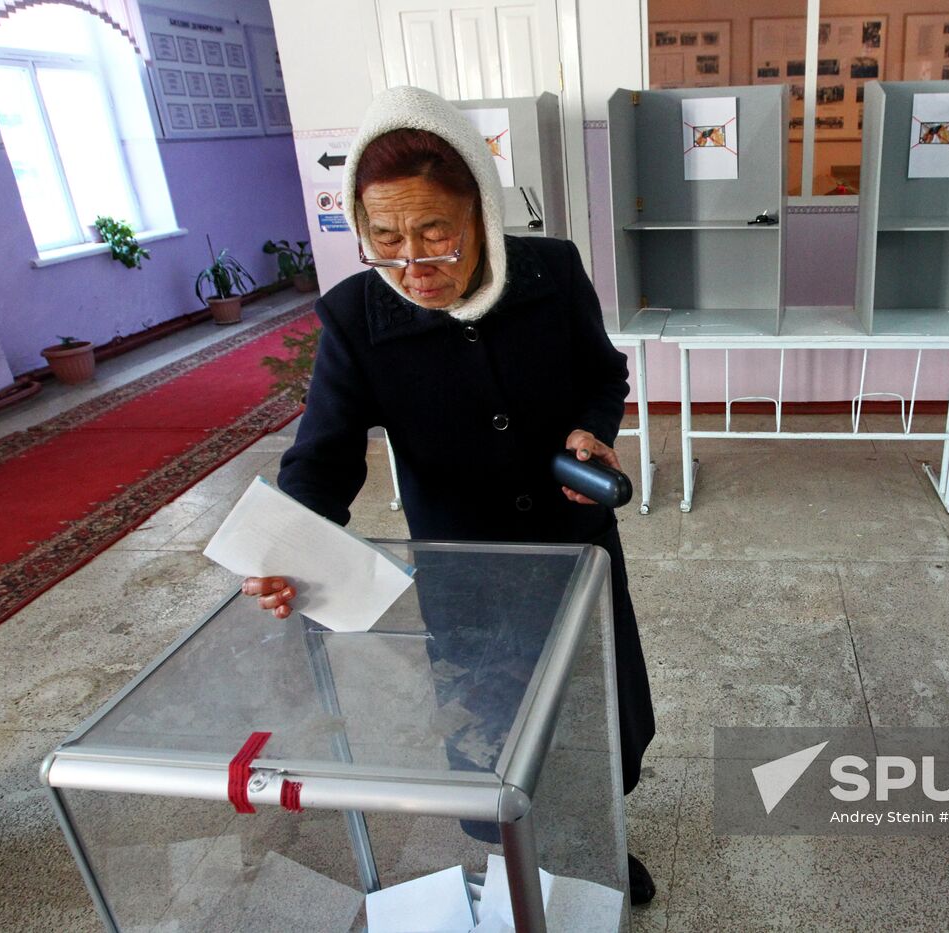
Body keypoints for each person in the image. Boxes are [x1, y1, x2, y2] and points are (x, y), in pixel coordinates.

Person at [240, 86, 657, 904]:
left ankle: (596, 840)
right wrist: (284, 548)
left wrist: (589, 428)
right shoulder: (359, 318)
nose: (412, 264)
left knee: (594, 710)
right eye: (384, 238)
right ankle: (523, 856)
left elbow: (605, 370)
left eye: (435, 231)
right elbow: (322, 459)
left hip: (575, 554)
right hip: (465, 564)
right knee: (490, 724)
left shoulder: (552, 271)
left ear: (482, 211)